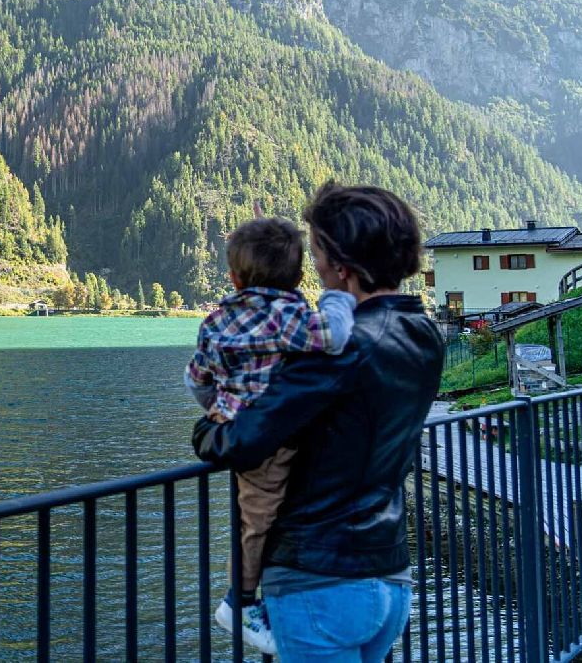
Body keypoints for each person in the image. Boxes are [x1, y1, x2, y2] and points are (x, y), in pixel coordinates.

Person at [193, 183, 443, 662]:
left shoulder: (338, 351)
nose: (313, 268)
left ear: (342, 267)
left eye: (317, 254)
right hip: (389, 574)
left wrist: (207, 429)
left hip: (319, 580)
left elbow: (242, 441)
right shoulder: (423, 333)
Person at [185, 217, 357, 656]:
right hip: (273, 438)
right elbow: (334, 336)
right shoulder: (291, 315)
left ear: (234, 276)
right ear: (298, 276)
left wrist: (222, 410)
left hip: (236, 430)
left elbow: (196, 379)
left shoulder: (216, 319)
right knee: (258, 520)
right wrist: (337, 298)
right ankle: (238, 603)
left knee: (255, 514)